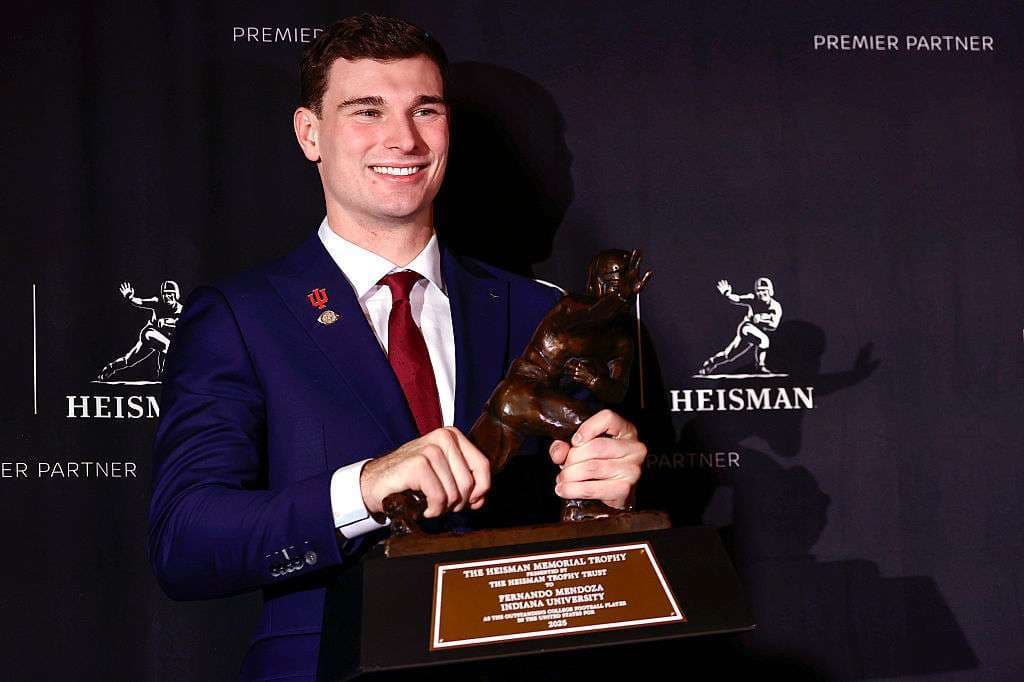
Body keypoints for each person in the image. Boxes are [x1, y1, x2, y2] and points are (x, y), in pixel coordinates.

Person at [148, 14, 647, 681]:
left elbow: (583, 551)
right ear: (309, 134)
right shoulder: (242, 318)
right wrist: (365, 488)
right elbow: (187, 540)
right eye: (366, 111)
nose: (402, 139)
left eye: (425, 110)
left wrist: (605, 503)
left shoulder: (538, 312)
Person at [98, 280, 181, 380]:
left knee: (128, 361)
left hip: (163, 340)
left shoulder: (182, 310)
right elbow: (141, 302)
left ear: (176, 294)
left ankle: (111, 367)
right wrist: (130, 297)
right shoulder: (157, 302)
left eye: (170, 293)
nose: (167, 296)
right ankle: (162, 374)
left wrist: (168, 322)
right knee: (168, 347)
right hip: (150, 334)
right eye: (165, 293)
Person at [698, 277, 782, 375]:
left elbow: (774, 325)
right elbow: (738, 298)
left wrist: (761, 321)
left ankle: (712, 362)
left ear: (770, 291)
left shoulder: (776, 306)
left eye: (764, 290)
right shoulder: (753, 299)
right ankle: (760, 366)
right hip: (747, 328)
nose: (761, 293)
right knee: (764, 340)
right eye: (758, 291)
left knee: (729, 355)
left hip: (757, 331)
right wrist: (727, 294)